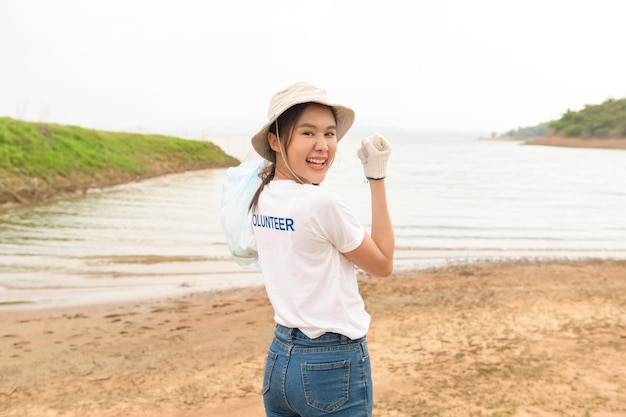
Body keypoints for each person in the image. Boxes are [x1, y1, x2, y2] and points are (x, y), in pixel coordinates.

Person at [249, 81, 394, 417]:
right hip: (331, 364)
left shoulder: (261, 195)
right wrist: (377, 178)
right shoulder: (321, 204)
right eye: (308, 133)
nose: (322, 146)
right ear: (275, 140)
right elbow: (383, 263)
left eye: (329, 134)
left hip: (280, 359)